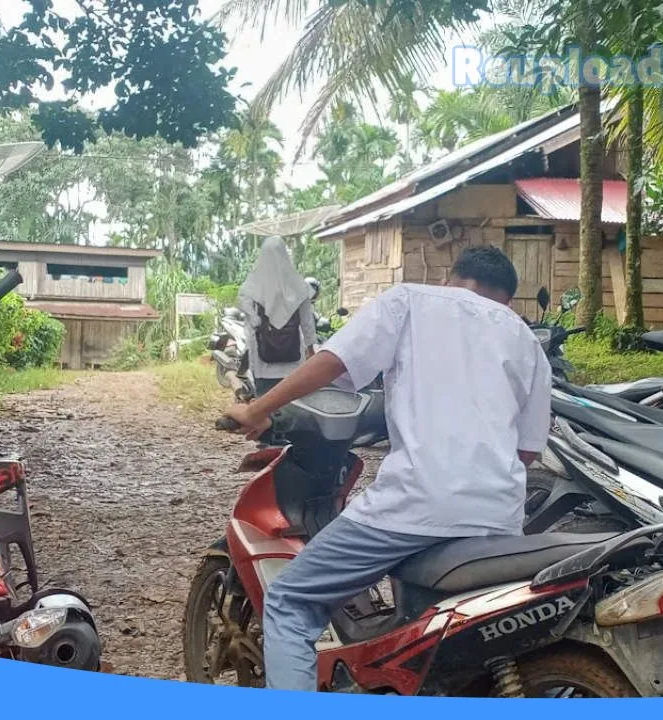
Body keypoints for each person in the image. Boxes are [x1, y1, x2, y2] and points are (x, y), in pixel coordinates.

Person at [222, 245, 552, 692]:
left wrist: (258, 409)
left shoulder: (411, 302)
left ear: (450, 279)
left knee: (290, 600)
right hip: (499, 518)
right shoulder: (526, 339)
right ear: (508, 299)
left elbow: (333, 363)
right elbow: (528, 451)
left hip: (415, 506)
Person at [237, 236, 317, 395]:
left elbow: (248, 314)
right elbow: (307, 323)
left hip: (263, 362)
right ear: (284, 255)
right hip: (293, 362)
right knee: (293, 404)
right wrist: (311, 350)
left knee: (265, 406)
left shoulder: (253, 285)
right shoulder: (298, 285)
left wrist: (255, 318)